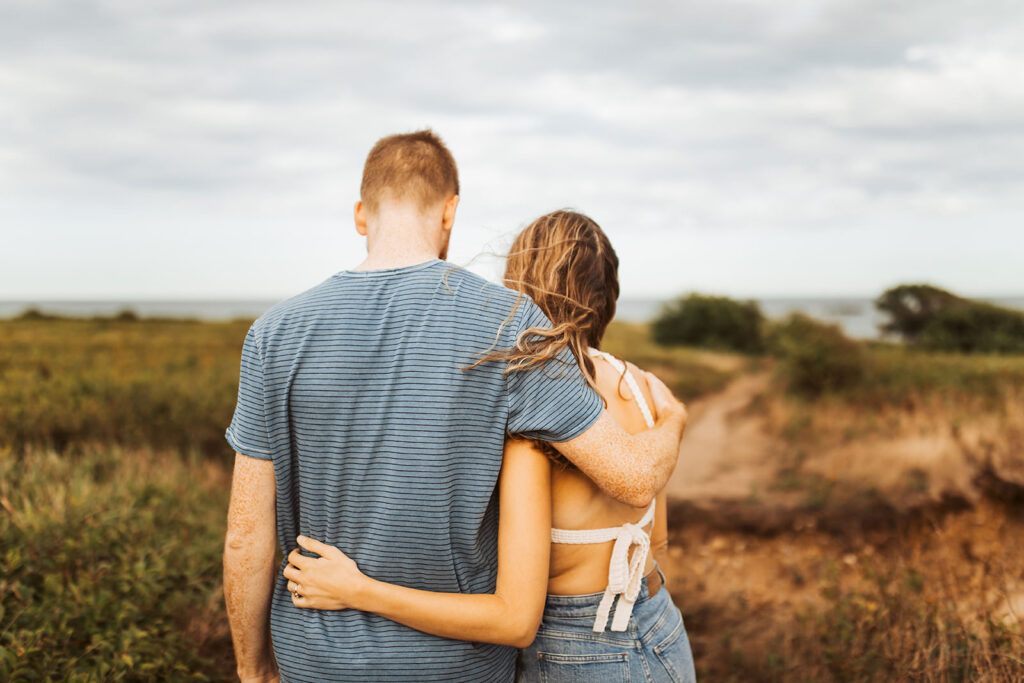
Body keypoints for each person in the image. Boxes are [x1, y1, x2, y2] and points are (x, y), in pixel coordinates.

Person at [222, 131, 689, 683]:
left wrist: (253, 671)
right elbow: (634, 480)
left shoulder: (273, 335)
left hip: (317, 661)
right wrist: (675, 420)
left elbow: (246, 533)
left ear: (360, 215)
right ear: (450, 211)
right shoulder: (512, 327)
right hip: (456, 665)